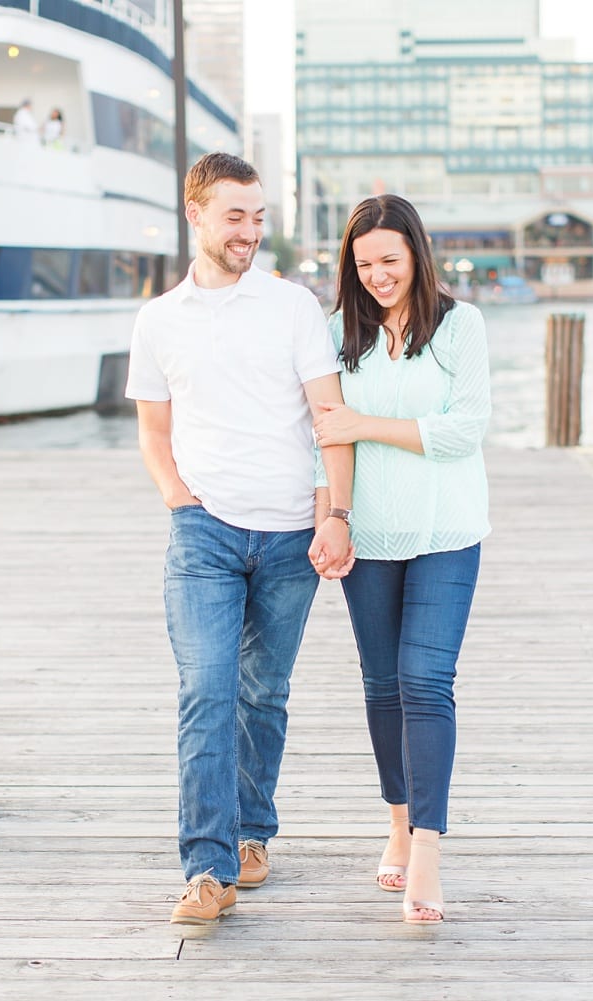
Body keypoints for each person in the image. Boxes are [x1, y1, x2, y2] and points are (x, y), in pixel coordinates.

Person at [125, 152, 356, 925]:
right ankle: (206, 868)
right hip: (205, 534)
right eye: (236, 215)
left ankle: (253, 833)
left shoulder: (292, 308)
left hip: (292, 533)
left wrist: (333, 513)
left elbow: (328, 418)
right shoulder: (158, 319)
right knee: (205, 690)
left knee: (263, 693)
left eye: (259, 216)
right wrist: (179, 498)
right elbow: (153, 429)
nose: (250, 231)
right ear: (196, 213)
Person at [313, 194, 491, 924]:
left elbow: (465, 429)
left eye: (390, 259)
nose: (378, 274)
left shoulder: (458, 325)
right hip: (370, 534)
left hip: (448, 531)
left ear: (417, 252)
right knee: (383, 684)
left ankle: (426, 847)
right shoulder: (336, 333)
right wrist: (334, 517)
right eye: (364, 263)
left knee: (426, 678)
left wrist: (366, 423)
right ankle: (395, 818)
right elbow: (329, 435)